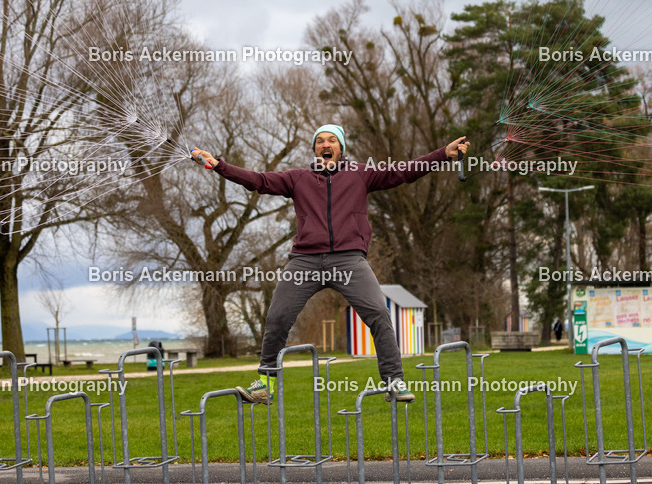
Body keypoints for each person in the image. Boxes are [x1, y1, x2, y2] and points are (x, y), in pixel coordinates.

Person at [191, 125, 469, 403]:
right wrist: (218, 165)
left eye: (332, 140)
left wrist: (443, 154)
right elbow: (258, 180)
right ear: (315, 150)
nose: (326, 144)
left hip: (349, 260)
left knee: (379, 315)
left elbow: (404, 171)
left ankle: (394, 382)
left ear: (341, 148)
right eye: (320, 141)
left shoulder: (361, 174)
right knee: (277, 318)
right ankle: (265, 385)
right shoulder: (298, 178)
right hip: (304, 262)